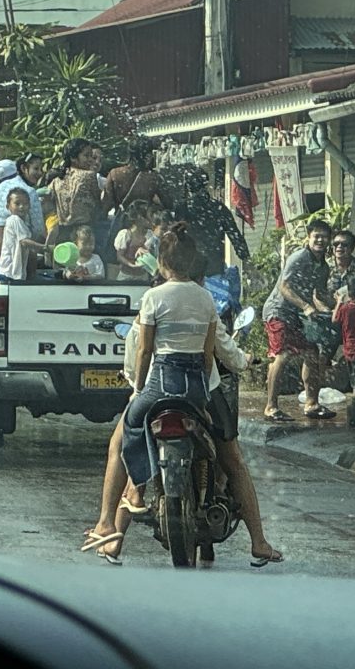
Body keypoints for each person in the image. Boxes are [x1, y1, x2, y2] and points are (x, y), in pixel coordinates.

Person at [93, 228, 281, 566]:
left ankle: (112, 528)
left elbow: (143, 348)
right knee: (234, 461)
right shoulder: (205, 298)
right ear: (195, 265)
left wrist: (137, 388)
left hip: (158, 387)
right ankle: (259, 541)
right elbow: (213, 354)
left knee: (122, 443)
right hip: (198, 391)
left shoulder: (153, 298)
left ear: (161, 262)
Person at [261, 218, 336, 422]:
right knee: (282, 354)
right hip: (279, 311)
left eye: (324, 236)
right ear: (309, 238)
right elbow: (284, 287)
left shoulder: (323, 267)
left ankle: (312, 403)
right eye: (316, 236)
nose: (320, 240)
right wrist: (306, 306)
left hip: (298, 316)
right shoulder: (299, 257)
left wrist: (334, 309)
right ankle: (271, 406)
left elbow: (319, 294)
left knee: (311, 353)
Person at [46, 137, 106, 246]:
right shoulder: (88, 176)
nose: (91, 160)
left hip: (62, 232)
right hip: (83, 233)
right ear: (73, 158)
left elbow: (49, 201)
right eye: (86, 156)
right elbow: (97, 204)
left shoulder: (57, 178)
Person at [0, 188, 46, 282]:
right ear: (8, 206)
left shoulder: (23, 223)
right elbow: (24, 242)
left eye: (25, 204)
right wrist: (44, 248)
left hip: (11, 271)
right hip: (10, 271)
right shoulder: (15, 219)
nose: (22, 207)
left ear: (29, 206)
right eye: (17, 204)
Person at [327, 228, 355, 303]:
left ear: (352, 248)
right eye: (336, 244)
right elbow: (316, 295)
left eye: (344, 244)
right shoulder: (325, 266)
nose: (339, 246)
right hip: (328, 311)